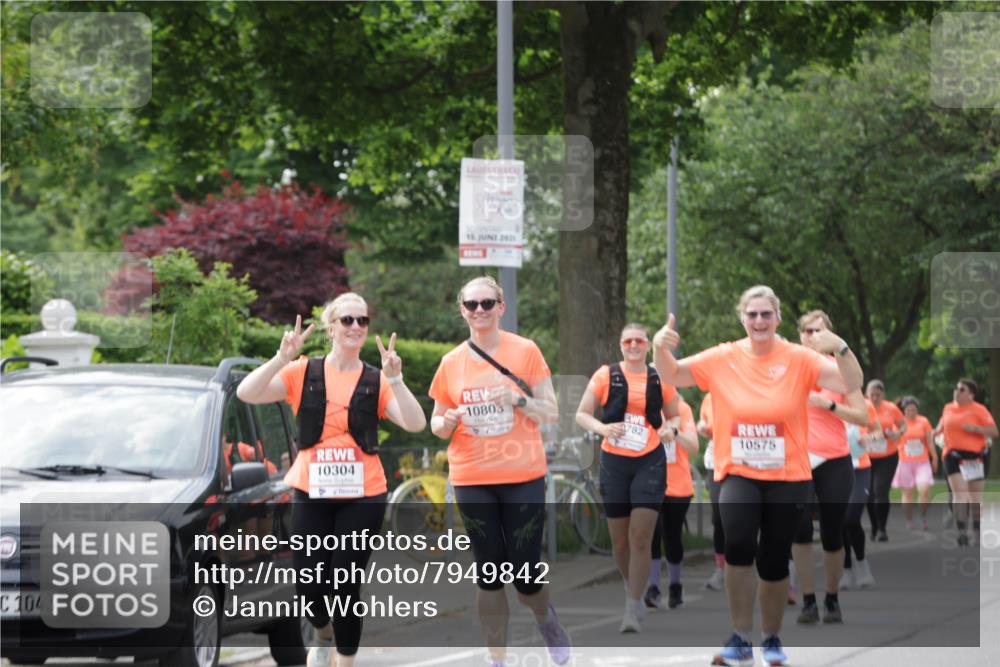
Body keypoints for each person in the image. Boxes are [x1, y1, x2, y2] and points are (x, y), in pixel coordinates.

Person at [652, 286, 863, 667]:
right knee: (738, 544)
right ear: (743, 319)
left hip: (788, 474)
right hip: (738, 471)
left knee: (775, 560)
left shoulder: (800, 358)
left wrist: (842, 347)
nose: (760, 321)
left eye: (766, 314)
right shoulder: (723, 356)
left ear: (777, 319)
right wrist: (659, 346)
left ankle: (771, 639)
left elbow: (850, 383)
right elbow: (673, 373)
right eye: (752, 315)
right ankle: (739, 637)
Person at [236, 293, 427, 667]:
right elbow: (247, 393)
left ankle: (345, 660)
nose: (356, 326)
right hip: (311, 489)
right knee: (309, 585)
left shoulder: (376, 380)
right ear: (330, 327)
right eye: (347, 320)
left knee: (345, 583)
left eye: (362, 320)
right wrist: (281, 358)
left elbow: (416, 423)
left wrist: (397, 379)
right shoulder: (303, 371)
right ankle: (323, 632)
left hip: (364, 494)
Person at [428, 276, 570, 667]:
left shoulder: (524, 352)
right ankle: (497, 659)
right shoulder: (451, 363)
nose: (479, 311)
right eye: (471, 305)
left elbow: (553, 411)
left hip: (522, 475)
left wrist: (518, 398)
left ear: (501, 307)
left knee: (525, 575)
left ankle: (546, 618)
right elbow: (436, 424)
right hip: (472, 477)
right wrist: (448, 421)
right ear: (462, 310)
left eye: (487, 303)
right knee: (488, 571)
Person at [575, 322, 680, 631]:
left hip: (649, 460)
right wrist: (603, 428)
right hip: (614, 462)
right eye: (628, 341)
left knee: (640, 536)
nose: (634, 345)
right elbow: (582, 414)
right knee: (619, 542)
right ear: (621, 345)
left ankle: (633, 606)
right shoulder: (606, 375)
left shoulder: (659, 377)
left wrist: (669, 429)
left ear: (647, 345)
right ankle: (631, 585)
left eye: (640, 341)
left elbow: (674, 414)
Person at [791, 311, 869, 625]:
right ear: (800, 336)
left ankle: (832, 598)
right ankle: (809, 600)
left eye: (820, 331)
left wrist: (830, 406)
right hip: (796, 458)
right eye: (808, 332)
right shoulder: (789, 368)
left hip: (835, 459)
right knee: (800, 531)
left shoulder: (841, 371)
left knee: (832, 532)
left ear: (831, 336)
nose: (813, 337)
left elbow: (863, 418)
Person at [645, 394, 699, 610]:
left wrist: (675, 433)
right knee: (652, 533)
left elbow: (694, 446)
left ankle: (675, 585)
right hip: (649, 482)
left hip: (678, 485)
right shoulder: (642, 407)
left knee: (672, 536)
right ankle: (654, 587)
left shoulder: (682, 409)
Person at [937, 378, 998, 546]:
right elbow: (940, 426)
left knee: (975, 496)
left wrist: (976, 429)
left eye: (962, 389)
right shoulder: (948, 408)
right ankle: (962, 531)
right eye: (956, 388)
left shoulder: (979, 410)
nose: (957, 391)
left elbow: (994, 431)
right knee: (960, 494)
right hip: (952, 455)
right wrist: (933, 434)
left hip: (976, 456)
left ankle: (977, 531)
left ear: (971, 395)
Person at [840, 397, 880, 589]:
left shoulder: (864, 404)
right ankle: (846, 569)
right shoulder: (824, 401)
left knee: (851, 518)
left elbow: (878, 431)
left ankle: (862, 564)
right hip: (835, 468)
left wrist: (869, 438)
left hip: (860, 468)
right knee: (838, 520)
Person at [864, 379, 906, 542]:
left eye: (878, 395)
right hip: (866, 456)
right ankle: (874, 526)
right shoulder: (860, 406)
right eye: (872, 394)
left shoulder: (891, 408)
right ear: (866, 394)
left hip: (887, 456)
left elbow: (903, 425)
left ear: (883, 395)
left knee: (880, 491)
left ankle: (882, 529)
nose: (875, 398)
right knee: (869, 495)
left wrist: (898, 433)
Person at [891, 396, 938, 531]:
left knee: (924, 490)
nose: (912, 412)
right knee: (908, 494)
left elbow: (929, 441)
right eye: (909, 410)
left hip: (922, 462)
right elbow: (893, 441)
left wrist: (934, 457)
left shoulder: (923, 421)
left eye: (914, 410)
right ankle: (909, 519)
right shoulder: (899, 423)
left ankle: (922, 517)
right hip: (905, 462)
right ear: (903, 411)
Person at [698, 393, 727, 592]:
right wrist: (702, 427)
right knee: (719, 518)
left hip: (744, 461)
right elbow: (706, 423)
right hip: (715, 462)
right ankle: (721, 569)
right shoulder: (710, 397)